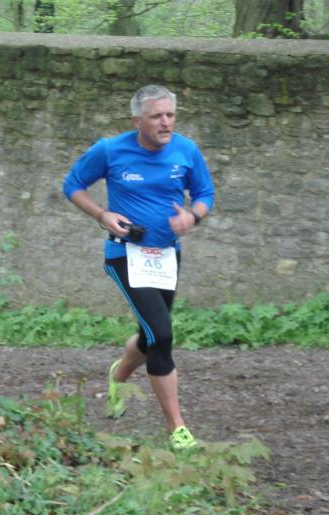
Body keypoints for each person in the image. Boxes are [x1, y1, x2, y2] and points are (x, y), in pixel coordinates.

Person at [61, 85, 215, 449]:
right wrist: (102, 214)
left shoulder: (186, 150)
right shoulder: (110, 150)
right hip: (125, 254)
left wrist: (192, 217)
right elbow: (73, 185)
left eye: (170, 115)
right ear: (137, 121)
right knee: (161, 335)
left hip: (166, 256)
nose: (166, 123)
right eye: (156, 116)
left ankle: (119, 373)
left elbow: (205, 195)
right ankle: (178, 429)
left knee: (151, 335)